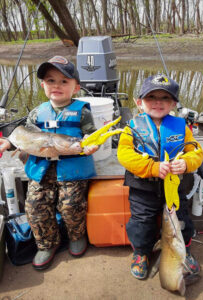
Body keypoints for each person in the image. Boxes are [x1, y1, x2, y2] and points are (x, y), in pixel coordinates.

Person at [0, 56, 99, 270]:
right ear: (43, 85)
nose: (57, 86)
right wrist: (8, 142)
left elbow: (92, 137)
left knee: (71, 205)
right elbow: (23, 135)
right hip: (41, 170)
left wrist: (91, 145)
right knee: (34, 206)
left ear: (76, 87)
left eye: (64, 81)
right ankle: (47, 244)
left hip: (72, 171)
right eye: (51, 80)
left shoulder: (83, 112)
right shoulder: (36, 113)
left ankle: (76, 235)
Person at [117, 74, 203, 280]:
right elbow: (124, 154)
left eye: (165, 98)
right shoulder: (131, 128)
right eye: (151, 97)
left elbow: (196, 151)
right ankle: (141, 253)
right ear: (140, 103)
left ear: (173, 104)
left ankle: (185, 250)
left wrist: (187, 163)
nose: (158, 102)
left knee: (181, 220)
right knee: (142, 222)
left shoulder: (181, 127)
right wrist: (152, 167)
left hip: (174, 188)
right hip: (142, 189)